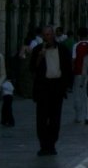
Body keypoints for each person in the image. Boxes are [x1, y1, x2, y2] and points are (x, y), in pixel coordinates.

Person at [29, 26, 72, 156]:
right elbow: (32, 68)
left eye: (49, 34)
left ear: (53, 35)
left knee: (55, 118)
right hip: (43, 87)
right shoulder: (38, 50)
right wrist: (39, 58)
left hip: (56, 87)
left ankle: (52, 144)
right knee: (41, 118)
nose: (47, 37)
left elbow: (67, 68)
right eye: (44, 35)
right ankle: (43, 145)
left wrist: (65, 86)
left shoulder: (62, 50)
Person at [71, 27, 88, 124]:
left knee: (77, 94)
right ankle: (87, 116)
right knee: (87, 95)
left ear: (79, 35)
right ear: (87, 34)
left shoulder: (76, 46)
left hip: (78, 73)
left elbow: (73, 60)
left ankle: (78, 116)